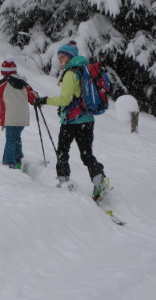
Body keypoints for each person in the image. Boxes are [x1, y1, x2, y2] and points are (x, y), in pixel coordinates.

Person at [34, 41, 108, 201]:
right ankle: (99, 180)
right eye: (59, 57)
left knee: (62, 152)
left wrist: (44, 100)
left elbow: (65, 99)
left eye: (63, 57)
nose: (60, 60)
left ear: (70, 57)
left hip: (72, 122)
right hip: (87, 120)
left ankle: (63, 183)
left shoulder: (70, 74)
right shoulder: (83, 70)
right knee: (87, 154)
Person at [0, 55, 38, 169]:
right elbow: (33, 97)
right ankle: (18, 160)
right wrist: (37, 98)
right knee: (16, 137)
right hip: (22, 117)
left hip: (11, 116)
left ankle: (9, 163)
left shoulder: (4, 83)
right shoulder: (24, 83)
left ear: (4, 73)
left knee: (11, 139)